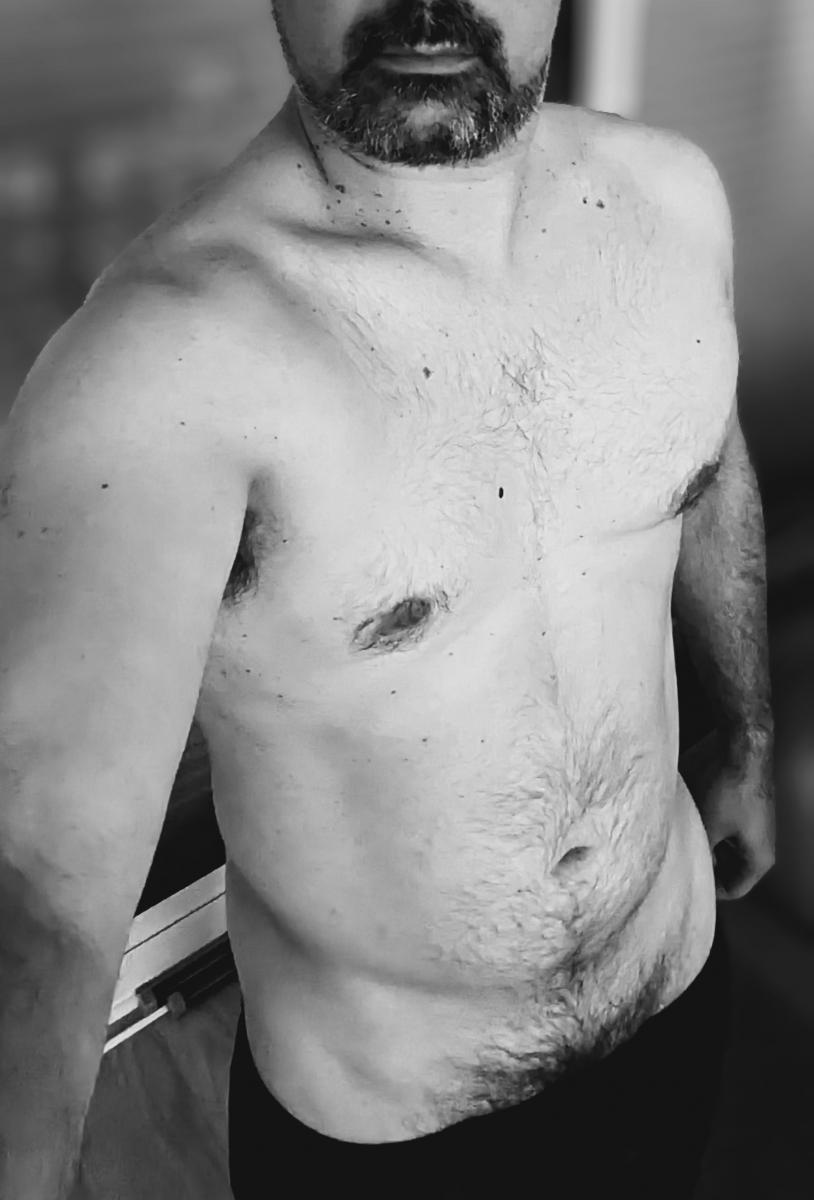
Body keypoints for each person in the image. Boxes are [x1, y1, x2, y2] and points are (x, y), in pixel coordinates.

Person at [0, 2, 775, 1197]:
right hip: (394, 1134)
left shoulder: (670, 203)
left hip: (671, 986)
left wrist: (748, 739)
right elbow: (40, 887)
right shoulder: (161, 365)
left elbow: (706, 466)